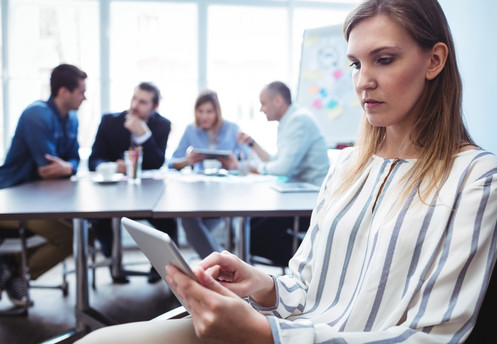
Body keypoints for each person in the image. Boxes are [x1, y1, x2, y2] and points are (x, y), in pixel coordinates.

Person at [76, 0, 497, 343]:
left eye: (384, 59)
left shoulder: (475, 177)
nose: (363, 81)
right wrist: (262, 286)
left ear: (434, 60)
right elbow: (305, 287)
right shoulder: (347, 166)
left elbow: (432, 338)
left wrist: (268, 336)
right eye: (355, 64)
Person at [0, 63, 87, 307]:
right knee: (73, 238)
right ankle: (15, 272)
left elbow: (74, 160)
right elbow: (47, 169)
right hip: (11, 201)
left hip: (41, 199)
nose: (85, 97)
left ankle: (11, 269)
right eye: (81, 91)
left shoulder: (72, 119)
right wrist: (66, 167)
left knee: (85, 235)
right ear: (63, 91)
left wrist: (69, 167)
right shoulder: (36, 114)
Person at [88, 82, 176, 283]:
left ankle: (161, 268)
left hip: (147, 195)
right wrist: (110, 166)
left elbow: (157, 162)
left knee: (168, 220)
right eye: (134, 98)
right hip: (113, 194)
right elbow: (95, 160)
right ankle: (114, 264)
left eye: (143, 102)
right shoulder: (109, 122)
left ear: (154, 107)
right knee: (100, 220)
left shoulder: (162, 125)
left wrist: (144, 134)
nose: (135, 105)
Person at [238, 81, 330, 267]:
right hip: (297, 195)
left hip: (309, 201)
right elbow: (276, 161)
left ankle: (313, 264)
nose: (261, 109)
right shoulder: (289, 121)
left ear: (278, 100)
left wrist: (253, 169)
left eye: (263, 103)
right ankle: (309, 259)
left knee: (253, 236)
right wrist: (252, 145)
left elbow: (282, 168)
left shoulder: (298, 121)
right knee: (250, 225)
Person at [169, 90, 251, 259]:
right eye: (200, 111)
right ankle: (223, 264)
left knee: (194, 229)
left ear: (217, 112)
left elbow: (251, 162)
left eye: (209, 111)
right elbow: (171, 163)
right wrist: (187, 161)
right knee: (189, 220)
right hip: (200, 194)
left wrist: (234, 165)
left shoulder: (232, 129)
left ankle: (220, 263)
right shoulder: (191, 130)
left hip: (227, 194)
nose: (204, 116)